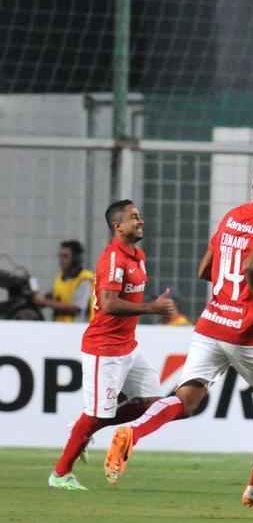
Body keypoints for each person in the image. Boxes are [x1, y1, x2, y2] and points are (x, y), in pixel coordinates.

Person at [104, 162, 253, 512]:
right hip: (245, 330)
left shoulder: (232, 216)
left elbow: (205, 269)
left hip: (211, 323)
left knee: (187, 398)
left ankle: (132, 432)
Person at [48, 202, 177, 491]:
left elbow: (130, 298)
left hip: (128, 346)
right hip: (103, 348)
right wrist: (151, 308)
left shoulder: (138, 256)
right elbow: (107, 304)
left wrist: (154, 305)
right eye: (133, 218)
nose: (140, 221)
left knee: (151, 402)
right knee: (97, 415)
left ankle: (81, 429)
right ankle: (59, 474)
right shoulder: (112, 259)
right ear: (118, 226)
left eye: (139, 216)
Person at [33, 240, 94, 323]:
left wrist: (45, 302)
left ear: (76, 258)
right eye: (60, 256)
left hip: (79, 330)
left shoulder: (85, 279)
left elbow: (76, 308)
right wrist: (39, 299)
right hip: (61, 329)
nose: (61, 260)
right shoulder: (59, 278)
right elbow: (54, 296)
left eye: (65, 256)